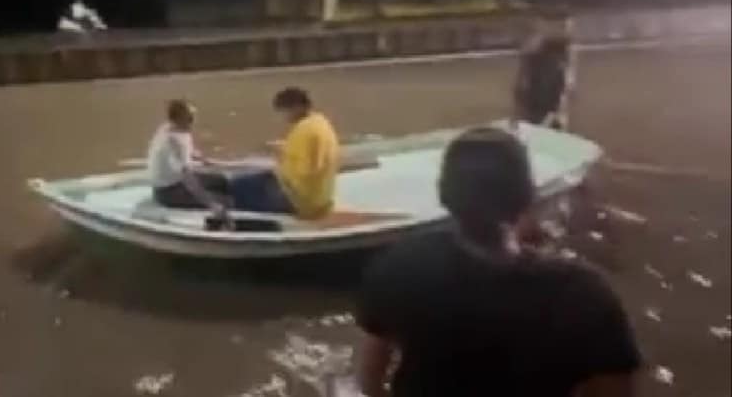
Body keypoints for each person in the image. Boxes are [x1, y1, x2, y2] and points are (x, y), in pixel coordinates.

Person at [356, 127, 641, 397]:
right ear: (526, 196)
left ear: (445, 194)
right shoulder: (583, 294)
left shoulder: (402, 266)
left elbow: (370, 381)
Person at [229, 87, 340, 219]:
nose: (283, 116)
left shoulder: (306, 131)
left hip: (301, 200)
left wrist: (279, 167)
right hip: (319, 197)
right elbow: (309, 153)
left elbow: (306, 171)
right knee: (244, 182)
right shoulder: (319, 122)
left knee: (240, 193)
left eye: (284, 111)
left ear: (297, 107)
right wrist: (281, 149)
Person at [147, 99, 229, 218]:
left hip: (172, 182)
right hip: (168, 192)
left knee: (221, 181)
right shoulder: (175, 141)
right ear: (180, 118)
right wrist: (212, 204)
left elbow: (183, 151)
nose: (194, 120)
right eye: (190, 117)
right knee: (226, 202)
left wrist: (202, 159)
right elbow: (189, 179)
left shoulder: (169, 127)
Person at [512, 10, 576, 131]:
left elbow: (567, 78)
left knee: (551, 129)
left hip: (546, 99)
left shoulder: (564, 50)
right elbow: (523, 79)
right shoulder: (536, 52)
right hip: (537, 99)